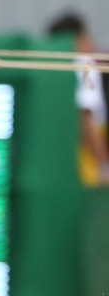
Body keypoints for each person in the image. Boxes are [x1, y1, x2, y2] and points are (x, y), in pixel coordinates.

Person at [47, 11, 109, 187]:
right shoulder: (84, 65)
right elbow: (86, 118)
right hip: (85, 157)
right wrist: (103, 164)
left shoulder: (58, 66)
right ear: (78, 39)